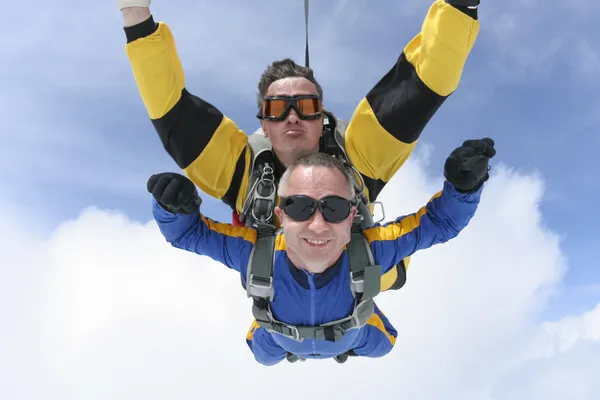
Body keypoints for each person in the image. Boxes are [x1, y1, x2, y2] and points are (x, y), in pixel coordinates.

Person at [118, 0, 482, 291]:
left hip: (361, 279)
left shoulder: (357, 156)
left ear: (321, 117)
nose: (292, 117)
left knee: (368, 281)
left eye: (305, 107)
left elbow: (420, 87)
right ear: (263, 122)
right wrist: (135, 13)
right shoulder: (243, 170)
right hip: (278, 288)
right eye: (278, 109)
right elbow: (171, 111)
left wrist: (459, 6)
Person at [147, 137, 495, 365]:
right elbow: (188, 233)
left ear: (352, 216)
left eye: (334, 208)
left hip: (353, 334)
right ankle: (312, 347)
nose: (317, 225)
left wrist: (463, 187)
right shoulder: (255, 252)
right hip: (280, 337)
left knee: (385, 345)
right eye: (300, 207)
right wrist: (175, 206)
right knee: (262, 355)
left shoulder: (373, 248)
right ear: (280, 215)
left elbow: (439, 223)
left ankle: (342, 345)